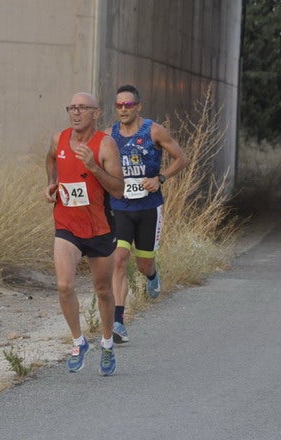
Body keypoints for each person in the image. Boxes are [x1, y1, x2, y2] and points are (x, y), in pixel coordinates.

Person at [45, 92, 124, 376]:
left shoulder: (105, 145)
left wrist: (93, 166)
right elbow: (51, 160)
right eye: (72, 108)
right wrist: (52, 184)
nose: (75, 113)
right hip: (67, 223)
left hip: (99, 227)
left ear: (96, 113)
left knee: (103, 290)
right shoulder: (59, 139)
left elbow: (118, 189)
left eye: (82, 108)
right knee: (64, 285)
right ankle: (79, 342)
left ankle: (106, 344)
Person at [105, 84, 189, 344]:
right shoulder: (108, 136)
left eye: (128, 105)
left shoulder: (153, 130)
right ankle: (118, 321)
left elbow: (181, 158)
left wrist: (160, 178)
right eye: (119, 105)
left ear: (138, 106)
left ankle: (152, 276)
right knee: (119, 259)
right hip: (120, 207)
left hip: (149, 208)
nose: (123, 109)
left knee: (143, 264)